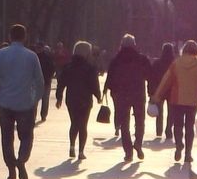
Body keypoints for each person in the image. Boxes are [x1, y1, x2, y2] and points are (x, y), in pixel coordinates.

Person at [0, 22, 45, 179]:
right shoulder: (31, 56)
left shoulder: (1, 54)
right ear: (25, 37)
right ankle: (21, 159)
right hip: (25, 103)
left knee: (7, 138)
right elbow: (40, 81)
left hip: (5, 102)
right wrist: (36, 99)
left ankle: (11, 169)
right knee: (26, 136)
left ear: (10, 36)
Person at [152, 37, 197, 165]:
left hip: (176, 100)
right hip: (192, 101)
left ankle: (178, 145)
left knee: (178, 126)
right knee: (189, 127)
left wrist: (157, 96)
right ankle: (188, 154)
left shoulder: (176, 64)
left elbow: (166, 81)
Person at [104, 34, 151, 162]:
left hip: (121, 95)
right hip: (138, 94)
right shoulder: (141, 59)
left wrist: (108, 90)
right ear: (134, 44)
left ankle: (128, 152)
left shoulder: (116, 60)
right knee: (140, 120)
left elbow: (110, 77)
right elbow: (149, 76)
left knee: (124, 123)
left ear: (121, 45)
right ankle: (138, 143)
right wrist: (151, 93)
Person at [58, 41, 103, 164]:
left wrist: (59, 97)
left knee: (74, 123)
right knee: (83, 125)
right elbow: (94, 84)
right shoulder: (90, 68)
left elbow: (61, 83)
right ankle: (81, 152)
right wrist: (98, 96)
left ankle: (72, 146)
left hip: (71, 98)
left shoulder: (68, 67)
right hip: (85, 100)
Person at [147, 41, 177, 143]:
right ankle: (168, 129)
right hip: (172, 90)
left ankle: (158, 130)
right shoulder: (175, 64)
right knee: (171, 112)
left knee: (159, 112)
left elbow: (151, 78)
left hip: (159, 90)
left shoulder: (157, 63)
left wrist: (150, 92)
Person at [33, 38, 57, 123]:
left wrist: (48, 77)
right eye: (37, 47)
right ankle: (37, 115)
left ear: (42, 48)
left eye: (39, 47)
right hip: (40, 82)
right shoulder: (35, 57)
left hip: (44, 81)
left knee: (42, 100)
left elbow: (52, 68)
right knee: (37, 100)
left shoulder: (44, 58)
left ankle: (42, 115)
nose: (38, 49)